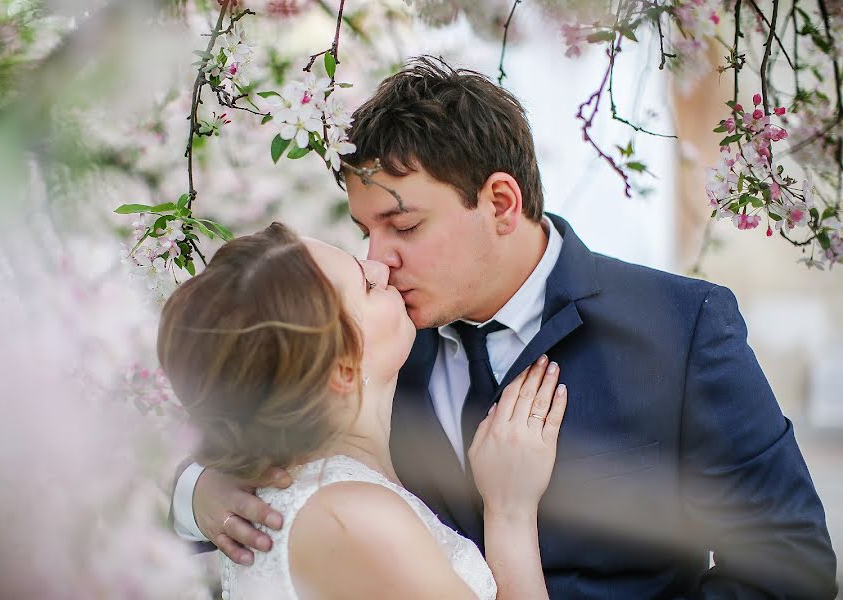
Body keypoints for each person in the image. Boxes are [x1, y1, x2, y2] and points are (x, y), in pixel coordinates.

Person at [172, 57, 838, 598]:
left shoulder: (681, 328)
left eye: (403, 226)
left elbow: (790, 563)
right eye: (365, 230)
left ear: (499, 202)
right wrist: (198, 493)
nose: (377, 258)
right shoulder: (367, 340)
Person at [158, 222, 568, 599]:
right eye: (366, 285)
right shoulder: (353, 519)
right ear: (342, 368)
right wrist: (510, 512)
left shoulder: (321, 501)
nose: (381, 269)